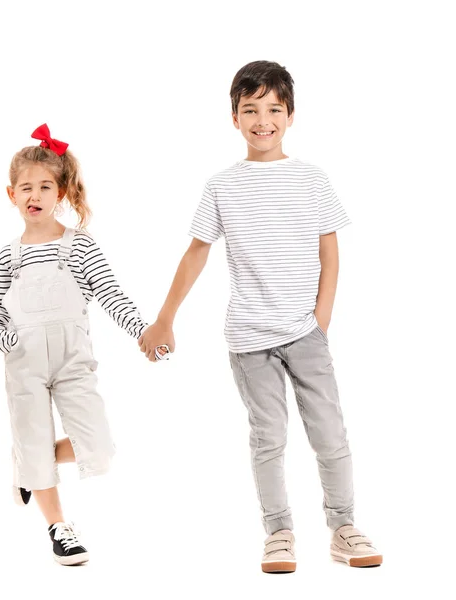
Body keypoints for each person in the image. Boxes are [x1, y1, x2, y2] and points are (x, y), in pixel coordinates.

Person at [139, 61, 382, 573]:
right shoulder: (222, 185)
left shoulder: (312, 178)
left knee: (330, 434)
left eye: (273, 109)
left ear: (290, 115)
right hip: (249, 338)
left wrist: (321, 320)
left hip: (305, 333)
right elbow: (196, 253)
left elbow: (330, 254)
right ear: (234, 118)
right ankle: (279, 533)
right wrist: (165, 318)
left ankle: (343, 527)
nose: (262, 120)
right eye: (250, 110)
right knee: (268, 437)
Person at [0, 124, 168, 566]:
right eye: (26, 187)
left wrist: (143, 330)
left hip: (72, 360)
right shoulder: (8, 254)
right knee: (33, 440)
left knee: (100, 451)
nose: (35, 194)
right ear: (11, 194)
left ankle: (28, 463)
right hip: (23, 361)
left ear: (61, 190)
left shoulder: (79, 247)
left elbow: (111, 294)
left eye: (45, 186)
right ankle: (59, 527)